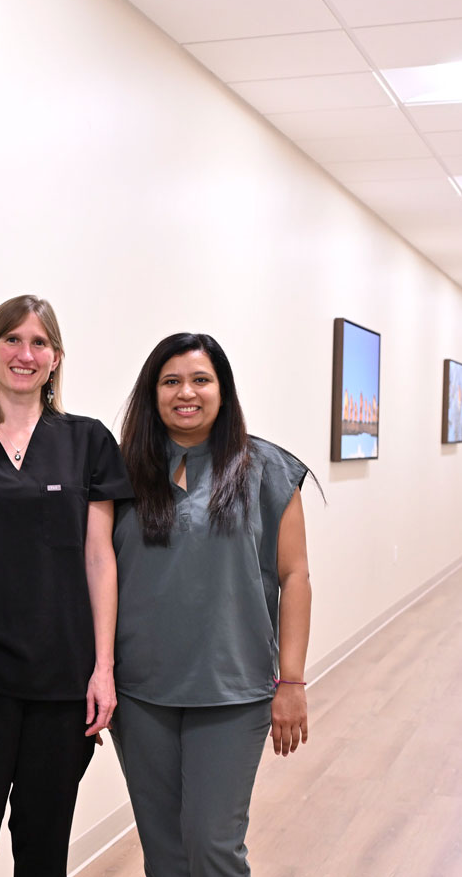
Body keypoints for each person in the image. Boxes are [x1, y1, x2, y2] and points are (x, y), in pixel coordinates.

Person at [0, 295, 132, 877]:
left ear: (56, 358)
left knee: (43, 846)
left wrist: (103, 668)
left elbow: (100, 559)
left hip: (61, 680)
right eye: (12, 340)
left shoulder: (88, 441)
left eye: (39, 342)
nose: (25, 353)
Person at [112, 333, 314, 877]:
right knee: (164, 852)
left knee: (212, 846)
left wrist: (292, 681)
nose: (186, 393)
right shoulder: (121, 471)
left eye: (201, 380)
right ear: (152, 393)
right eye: (171, 381)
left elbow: (295, 577)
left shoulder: (267, 469)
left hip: (232, 688)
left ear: (223, 390)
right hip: (141, 692)